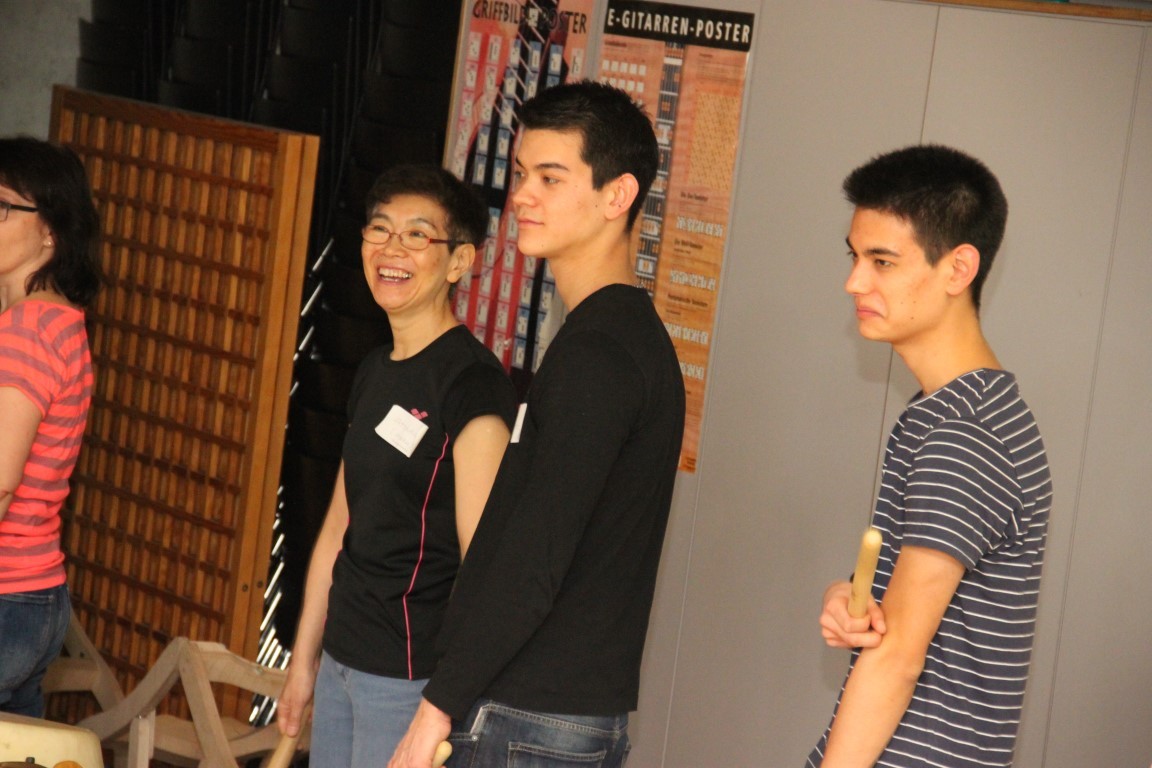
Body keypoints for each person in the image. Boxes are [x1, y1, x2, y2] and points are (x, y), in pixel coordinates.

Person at [389, 80, 686, 768]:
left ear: (618, 196)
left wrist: (435, 709)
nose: (522, 195)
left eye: (550, 178)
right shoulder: (611, 337)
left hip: (532, 717)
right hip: (550, 714)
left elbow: (532, 560)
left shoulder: (601, 354)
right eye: (521, 174)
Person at [807, 145, 1053, 767]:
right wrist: (851, 595)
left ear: (958, 268)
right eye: (855, 256)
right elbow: (917, 611)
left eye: (882, 261)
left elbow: (897, 660)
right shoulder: (960, 412)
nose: (854, 282)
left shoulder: (964, 434)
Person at [275, 165, 517, 766]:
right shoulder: (375, 368)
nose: (391, 249)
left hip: (408, 679)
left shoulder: (472, 385)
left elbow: (483, 566)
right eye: (379, 230)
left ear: (459, 261)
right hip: (341, 661)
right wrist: (303, 663)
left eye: (416, 235)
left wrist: (441, 703)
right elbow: (339, 526)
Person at [0, 136, 102, 716]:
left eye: (2, 206)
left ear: (50, 230)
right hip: (37, 591)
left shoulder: (26, 330)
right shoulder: (62, 321)